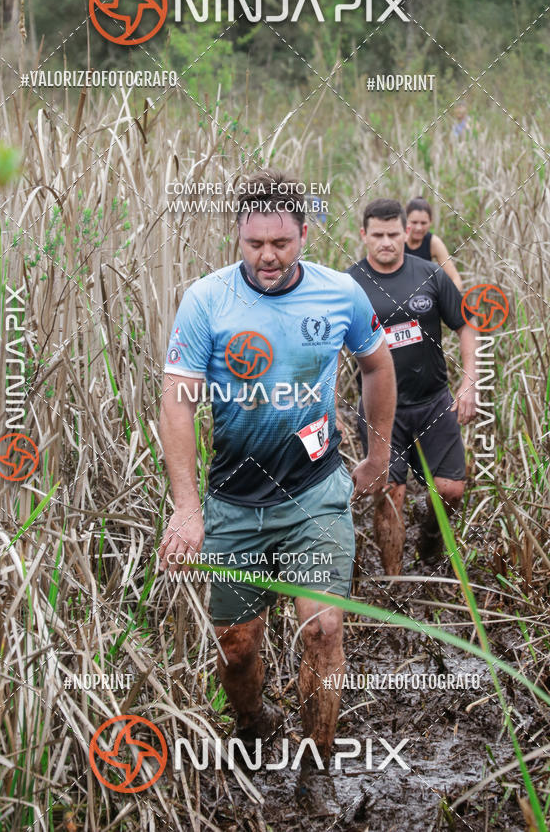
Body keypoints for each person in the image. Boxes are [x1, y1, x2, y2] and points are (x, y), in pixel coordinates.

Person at [159, 170, 395, 815]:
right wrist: (187, 509)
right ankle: (254, 726)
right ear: (238, 235)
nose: (268, 256)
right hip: (233, 501)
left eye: (282, 243)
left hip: (314, 492)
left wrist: (377, 456)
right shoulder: (206, 301)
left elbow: (376, 362)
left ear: (304, 235)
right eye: (255, 242)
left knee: (322, 629)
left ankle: (317, 767)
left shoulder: (339, 293)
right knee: (237, 646)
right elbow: (177, 403)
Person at [347, 198, 476, 575]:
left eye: (393, 234)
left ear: (407, 233)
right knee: (390, 495)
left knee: (451, 490)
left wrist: (469, 382)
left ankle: (431, 539)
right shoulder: (349, 285)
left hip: (434, 402)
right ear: (363, 236)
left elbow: (466, 324)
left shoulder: (430, 275)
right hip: (380, 411)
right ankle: (395, 586)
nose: (386, 242)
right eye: (377, 235)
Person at [405, 196, 463, 290]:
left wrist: (450, 300)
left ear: (430, 222)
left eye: (423, 223)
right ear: (405, 220)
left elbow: (456, 279)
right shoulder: (397, 239)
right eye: (414, 222)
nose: (418, 228)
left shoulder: (434, 242)